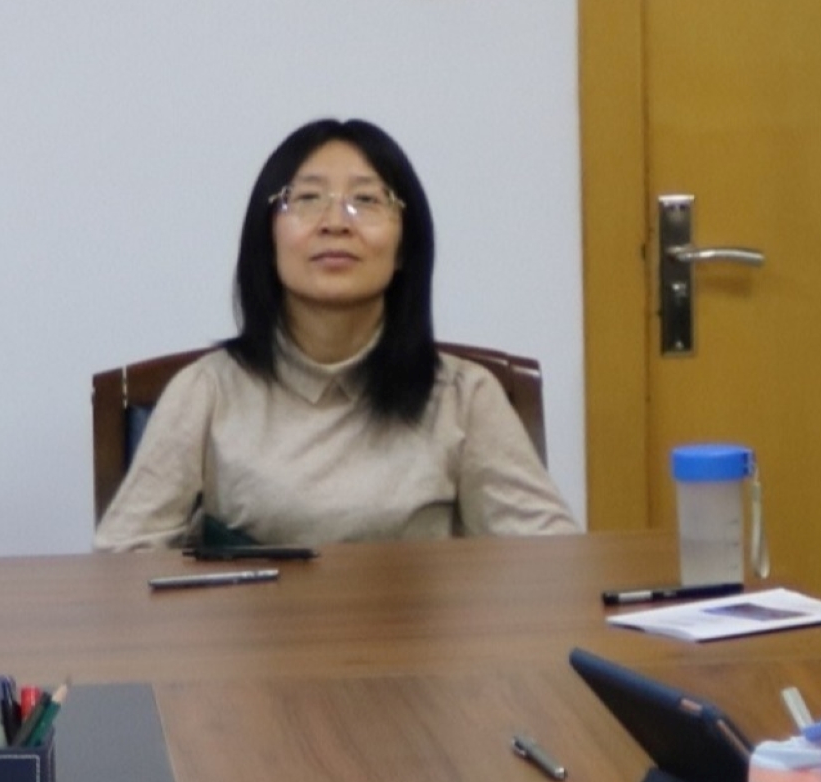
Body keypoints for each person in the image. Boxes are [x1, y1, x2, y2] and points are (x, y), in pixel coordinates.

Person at [95, 118, 575, 550]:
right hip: (251, 625)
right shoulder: (207, 391)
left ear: (404, 247)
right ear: (268, 239)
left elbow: (554, 558)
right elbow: (121, 561)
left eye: (366, 201)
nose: (336, 223)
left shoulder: (463, 397)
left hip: (415, 625)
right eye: (307, 199)